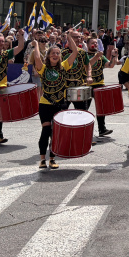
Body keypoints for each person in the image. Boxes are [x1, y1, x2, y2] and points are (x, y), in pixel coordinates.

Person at [32, 35, 80, 170]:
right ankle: (42, 159)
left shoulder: (64, 66)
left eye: (58, 53)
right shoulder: (43, 68)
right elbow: (36, 58)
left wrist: (70, 36)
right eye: (53, 53)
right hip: (45, 103)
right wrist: (35, 45)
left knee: (56, 133)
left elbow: (75, 52)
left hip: (60, 104)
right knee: (46, 130)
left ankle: (52, 159)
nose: (55, 55)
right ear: (48, 56)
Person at [85, 37, 118, 138]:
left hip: (99, 83)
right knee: (84, 108)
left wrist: (113, 56)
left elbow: (110, 65)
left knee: (101, 108)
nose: (95, 45)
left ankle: (102, 129)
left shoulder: (101, 56)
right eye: (92, 43)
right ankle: (84, 130)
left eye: (96, 43)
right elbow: (87, 65)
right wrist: (96, 56)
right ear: (87, 44)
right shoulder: (84, 55)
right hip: (87, 85)